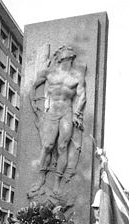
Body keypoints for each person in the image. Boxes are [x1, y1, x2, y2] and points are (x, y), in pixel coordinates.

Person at [29, 45, 86, 196]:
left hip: (67, 112)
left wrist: (78, 113)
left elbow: (82, 96)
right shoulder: (49, 73)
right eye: (65, 53)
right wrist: (33, 103)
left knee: (62, 147)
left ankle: (57, 184)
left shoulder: (77, 76)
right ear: (60, 57)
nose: (68, 56)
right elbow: (33, 86)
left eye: (70, 54)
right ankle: (41, 179)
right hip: (52, 112)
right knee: (47, 145)